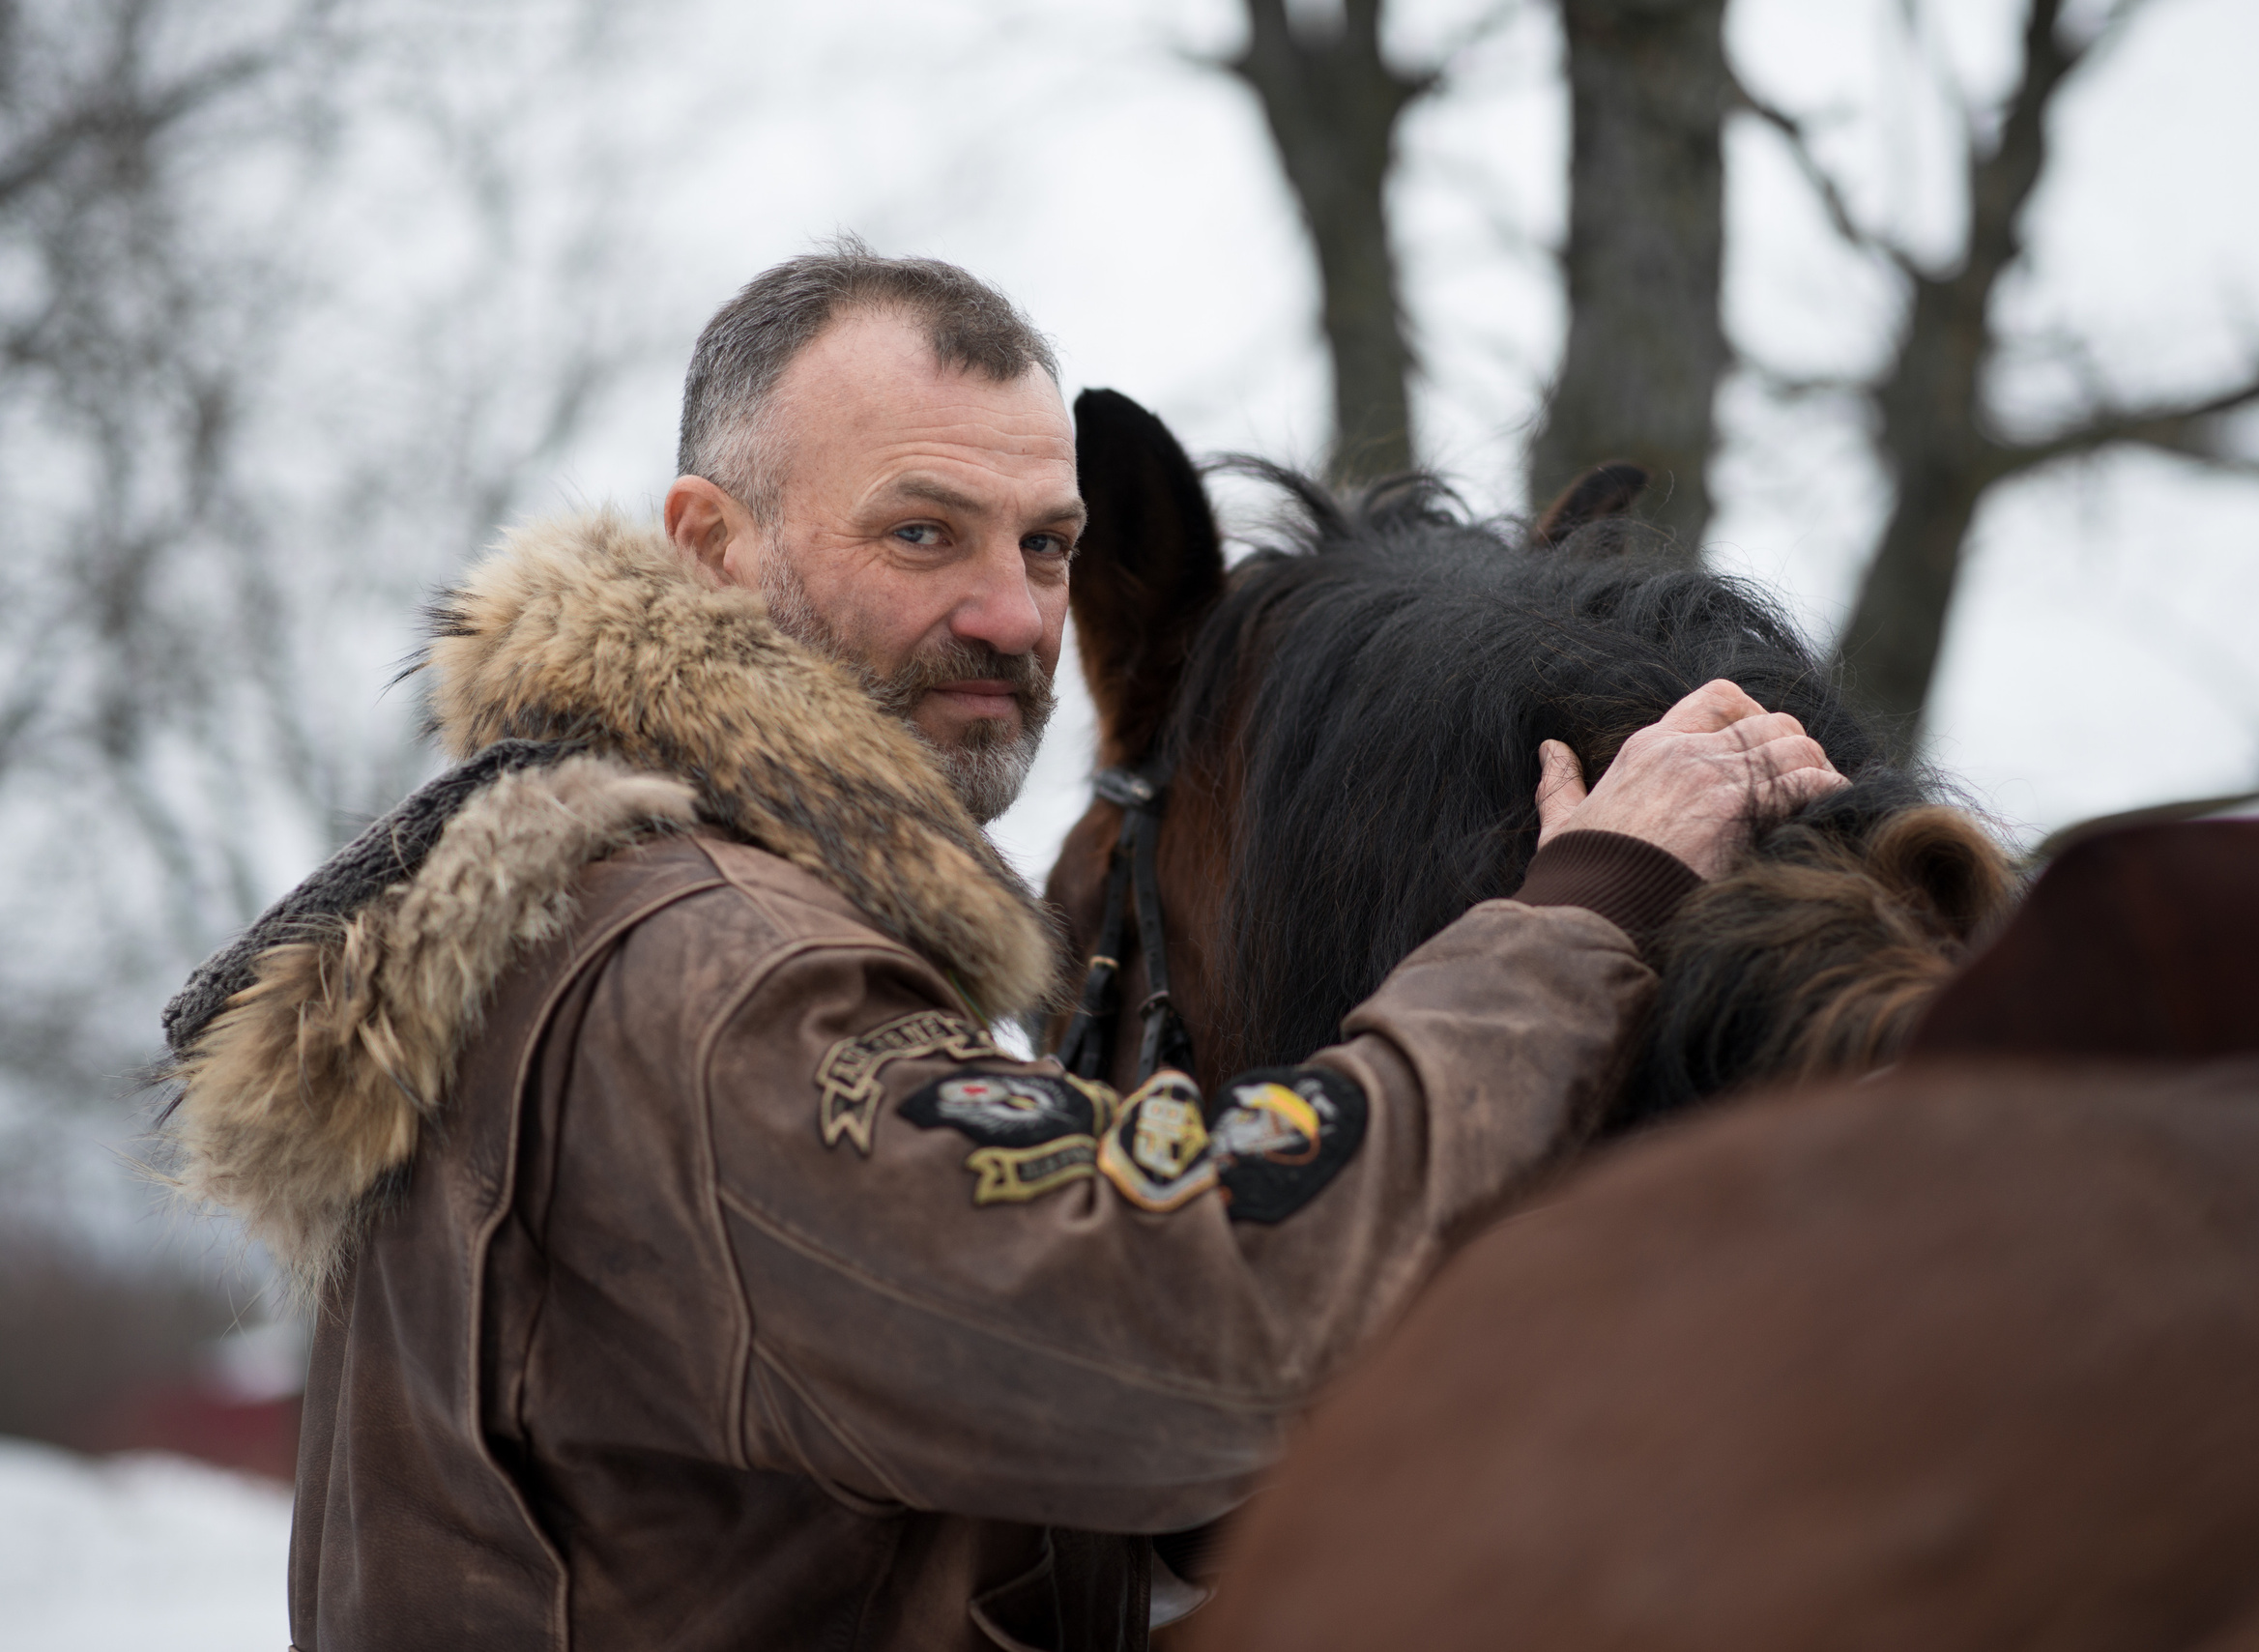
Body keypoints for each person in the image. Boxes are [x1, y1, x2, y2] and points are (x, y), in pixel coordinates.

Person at [158, 246, 1842, 1652]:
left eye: (1043, 544)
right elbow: (1192, 1332)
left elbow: (928, 1508)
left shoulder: (654, 919)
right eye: (924, 533)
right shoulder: (715, 978)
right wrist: (1581, 912)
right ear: (711, 547)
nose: (1019, 617)